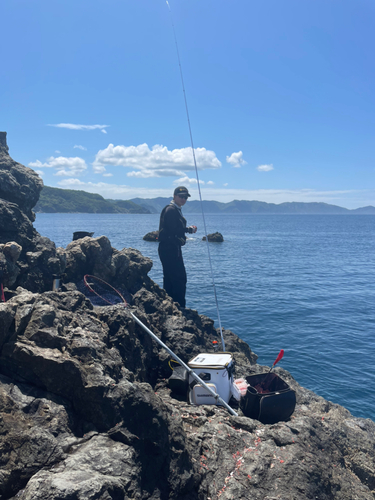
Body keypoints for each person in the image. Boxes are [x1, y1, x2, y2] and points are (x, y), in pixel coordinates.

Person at [158, 186, 197, 308]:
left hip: (170, 248)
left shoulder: (175, 209)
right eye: (181, 196)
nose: (183, 199)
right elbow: (172, 229)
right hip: (169, 249)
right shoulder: (171, 210)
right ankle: (180, 307)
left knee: (170, 278)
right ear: (174, 196)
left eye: (185, 197)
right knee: (179, 278)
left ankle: (170, 305)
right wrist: (188, 230)